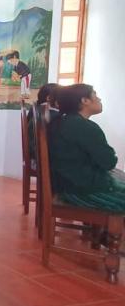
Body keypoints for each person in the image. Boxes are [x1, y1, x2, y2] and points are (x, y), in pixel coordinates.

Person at [48, 84, 125, 215]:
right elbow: (109, 162)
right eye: (95, 95)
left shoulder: (60, 121)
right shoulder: (85, 127)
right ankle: (112, 232)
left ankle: (105, 233)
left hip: (64, 185)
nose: (99, 99)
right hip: (81, 191)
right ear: (84, 101)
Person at [27, 83, 61, 167]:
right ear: (49, 98)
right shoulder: (52, 114)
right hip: (44, 160)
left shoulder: (35, 109)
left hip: (34, 157)